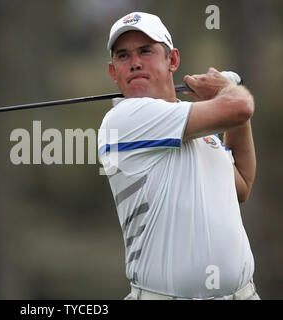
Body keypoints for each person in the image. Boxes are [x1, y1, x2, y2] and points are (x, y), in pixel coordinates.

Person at [98, 12, 259, 300]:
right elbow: (241, 107)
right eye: (123, 56)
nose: (134, 62)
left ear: (172, 60)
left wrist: (227, 101)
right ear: (113, 72)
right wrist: (226, 91)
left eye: (145, 51)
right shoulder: (124, 120)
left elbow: (242, 184)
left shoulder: (200, 129)